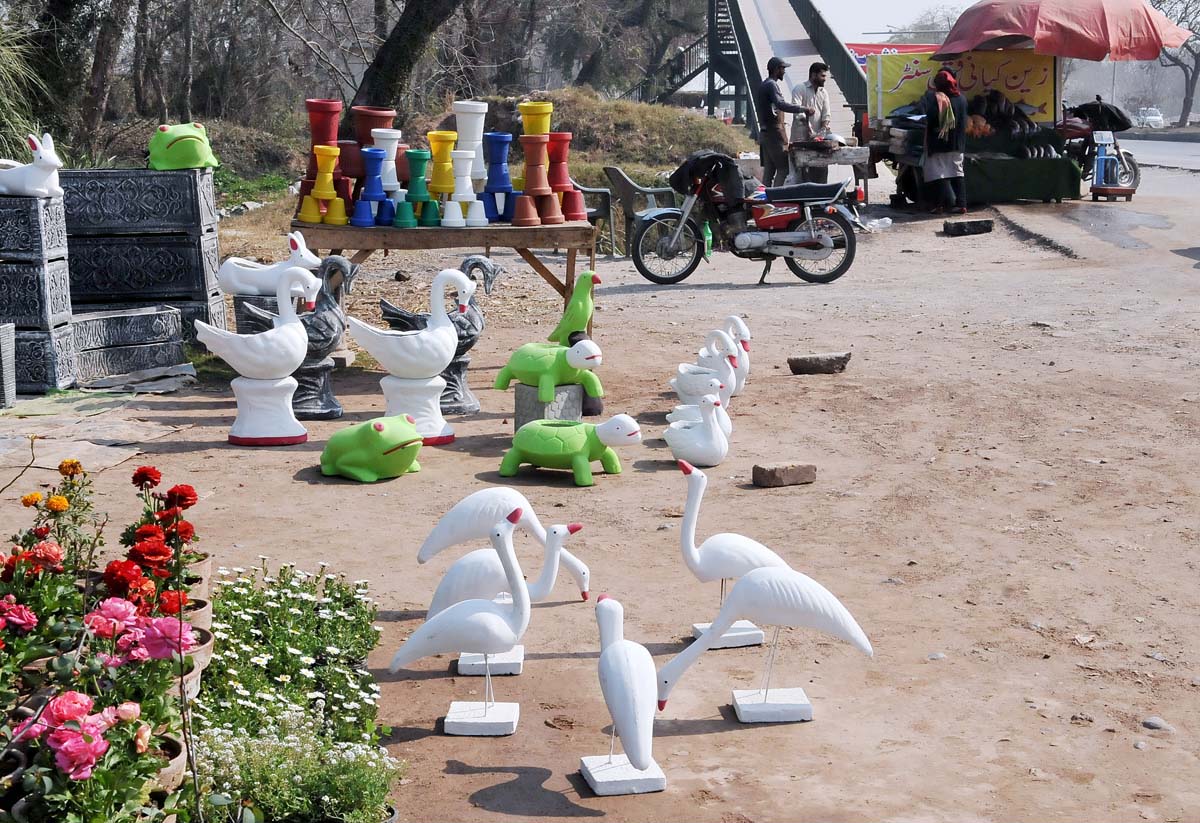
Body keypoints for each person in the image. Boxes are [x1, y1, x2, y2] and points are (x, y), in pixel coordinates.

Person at [920, 68, 967, 213]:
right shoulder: (962, 99)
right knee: (957, 173)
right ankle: (961, 204)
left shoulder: (935, 99)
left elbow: (930, 118)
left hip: (939, 143)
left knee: (937, 175)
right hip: (957, 144)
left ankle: (938, 205)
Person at [755, 56, 803, 187]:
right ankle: (776, 199)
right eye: (783, 68)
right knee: (783, 169)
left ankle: (765, 202)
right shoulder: (772, 85)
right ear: (776, 70)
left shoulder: (764, 84)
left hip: (766, 134)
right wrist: (803, 109)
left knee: (769, 172)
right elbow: (781, 104)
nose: (784, 71)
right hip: (774, 134)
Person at [789, 62, 832, 183]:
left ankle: (820, 196)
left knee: (821, 169)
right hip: (801, 139)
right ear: (813, 75)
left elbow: (826, 114)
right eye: (822, 76)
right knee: (800, 173)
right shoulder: (800, 88)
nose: (824, 79)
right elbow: (797, 111)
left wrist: (823, 129)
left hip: (817, 141)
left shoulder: (824, 93)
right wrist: (808, 128)